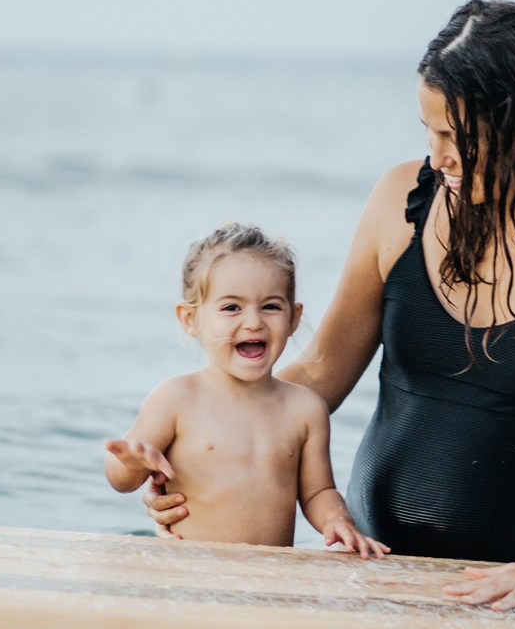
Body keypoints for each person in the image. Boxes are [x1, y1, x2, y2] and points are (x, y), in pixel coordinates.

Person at [147, 0, 515, 614]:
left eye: (459, 138)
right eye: (430, 131)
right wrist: (201, 461)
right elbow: (319, 374)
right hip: (374, 579)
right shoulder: (402, 199)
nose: (439, 157)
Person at [105, 222, 388, 558]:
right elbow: (121, 480)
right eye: (231, 308)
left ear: (294, 318)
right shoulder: (177, 399)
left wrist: (338, 521)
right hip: (189, 570)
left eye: (270, 306)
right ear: (190, 319)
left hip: (270, 576)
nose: (253, 322)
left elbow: (317, 492)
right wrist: (134, 464)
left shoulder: (304, 409)